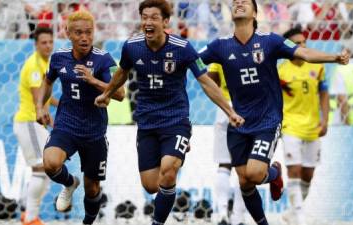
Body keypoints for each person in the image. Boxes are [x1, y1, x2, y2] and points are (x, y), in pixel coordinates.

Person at [199, 0, 349, 224]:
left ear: (255, 13)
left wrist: (334, 57)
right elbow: (191, 59)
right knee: (244, 181)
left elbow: (304, 53)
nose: (238, 4)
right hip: (238, 121)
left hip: (267, 121)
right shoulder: (219, 46)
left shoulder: (270, 41)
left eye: (244, 2)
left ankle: (275, 173)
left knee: (254, 174)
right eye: (235, 2)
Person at [94, 1, 243, 225]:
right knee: (151, 184)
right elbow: (122, 73)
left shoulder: (182, 47)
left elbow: (205, 82)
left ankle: (158, 221)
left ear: (165, 22)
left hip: (176, 121)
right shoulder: (131, 47)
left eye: (154, 17)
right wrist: (107, 93)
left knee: (169, 169)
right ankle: (176, 152)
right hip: (146, 122)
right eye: (144, 17)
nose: (148, 22)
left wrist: (229, 111)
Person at [35, 10, 125, 225]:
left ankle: (88, 222)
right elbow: (47, 82)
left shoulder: (104, 60)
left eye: (88, 32)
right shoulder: (59, 58)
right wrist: (40, 106)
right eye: (78, 33)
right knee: (50, 163)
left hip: (94, 131)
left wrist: (94, 81)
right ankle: (69, 183)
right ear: (68, 33)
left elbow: (120, 94)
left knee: (92, 188)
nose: (84, 38)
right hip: (67, 124)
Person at [278, 27, 329, 225]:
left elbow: (323, 93)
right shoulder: (280, 71)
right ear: (288, 47)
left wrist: (325, 120)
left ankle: (293, 212)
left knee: (308, 174)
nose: (302, 46)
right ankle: (300, 219)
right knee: (295, 170)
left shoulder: (317, 67)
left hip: (312, 127)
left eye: (304, 42)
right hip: (290, 126)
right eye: (297, 43)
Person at [13, 27, 58, 225]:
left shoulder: (45, 63)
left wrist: (62, 104)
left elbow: (46, 96)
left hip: (35, 123)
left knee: (45, 168)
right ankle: (30, 218)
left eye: (50, 42)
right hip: (29, 122)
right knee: (41, 168)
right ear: (36, 44)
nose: (48, 46)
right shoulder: (33, 65)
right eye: (43, 43)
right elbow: (38, 99)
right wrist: (56, 124)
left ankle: (28, 213)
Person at [208, 63, 246, 225]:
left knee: (224, 165)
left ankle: (222, 212)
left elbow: (210, 79)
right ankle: (238, 217)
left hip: (225, 108)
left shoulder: (220, 50)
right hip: (247, 108)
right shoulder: (257, 48)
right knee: (245, 169)